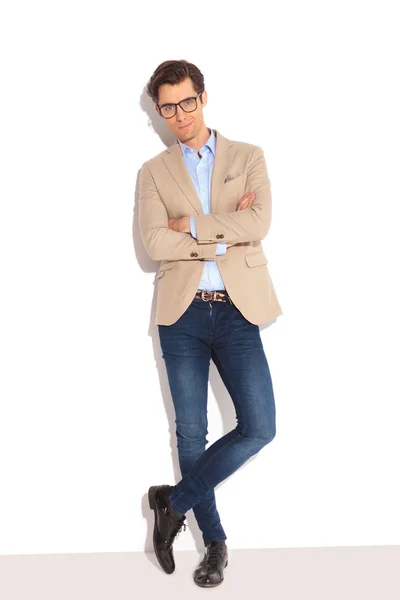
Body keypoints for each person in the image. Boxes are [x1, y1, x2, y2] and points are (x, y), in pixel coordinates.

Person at [139, 59, 283, 588]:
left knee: (260, 426)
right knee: (192, 434)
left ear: (204, 97)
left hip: (239, 309)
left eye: (187, 102)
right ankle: (214, 544)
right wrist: (227, 234)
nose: (179, 114)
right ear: (159, 110)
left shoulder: (249, 157)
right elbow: (156, 244)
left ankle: (170, 503)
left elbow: (260, 223)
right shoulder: (153, 172)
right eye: (168, 106)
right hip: (182, 313)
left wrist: (192, 226)